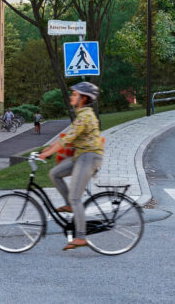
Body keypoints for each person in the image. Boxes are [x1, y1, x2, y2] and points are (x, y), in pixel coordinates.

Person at [37, 82, 104, 251]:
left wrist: (47, 153)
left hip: (89, 157)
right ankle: (69, 204)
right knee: (54, 173)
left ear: (83, 98)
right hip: (80, 155)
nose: (72, 97)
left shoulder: (85, 116)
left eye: (75, 95)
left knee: (76, 197)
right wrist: (49, 149)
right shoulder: (81, 113)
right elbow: (67, 137)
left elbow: (67, 139)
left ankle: (80, 237)